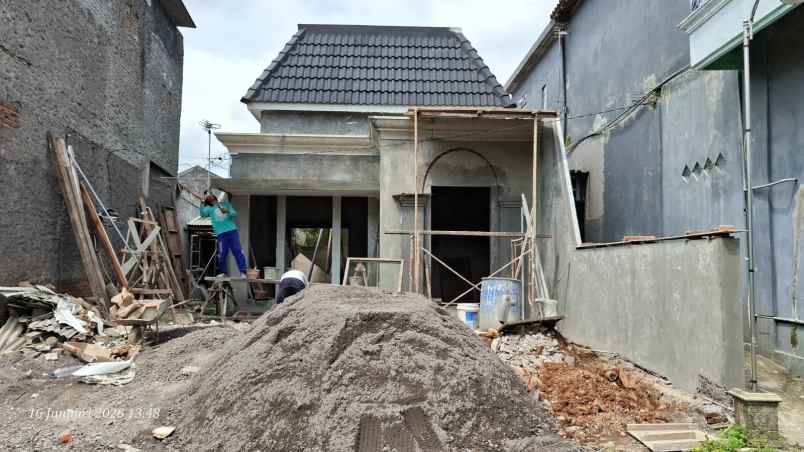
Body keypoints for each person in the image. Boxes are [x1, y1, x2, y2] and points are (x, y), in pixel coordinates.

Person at [200, 193, 247, 277]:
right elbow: (202, 214)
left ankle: (243, 272)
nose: (210, 198)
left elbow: (234, 214)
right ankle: (223, 273)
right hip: (221, 233)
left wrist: (227, 211)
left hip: (232, 230)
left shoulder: (226, 204)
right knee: (222, 253)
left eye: (211, 196)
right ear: (208, 201)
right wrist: (201, 203)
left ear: (215, 198)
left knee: (237, 250)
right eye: (208, 198)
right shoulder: (209, 209)